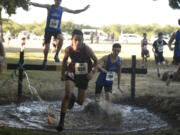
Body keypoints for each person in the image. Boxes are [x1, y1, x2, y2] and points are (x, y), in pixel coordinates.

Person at [28, 0, 90, 69]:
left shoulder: (62, 9)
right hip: (48, 30)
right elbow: (39, 4)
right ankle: (45, 60)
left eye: (60, 0)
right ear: (54, 1)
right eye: (57, 0)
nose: (58, 2)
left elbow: (74, 11)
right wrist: (31, 3)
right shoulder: (49, 7)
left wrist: (84, 9)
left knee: (61, 38)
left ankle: (56, 55)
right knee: (47, 48)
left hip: (57, 30)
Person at [56, 29, 97, 131]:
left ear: (83, 39)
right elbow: (65, 61)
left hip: (84, 76)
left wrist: (92, 72)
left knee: (80, 102)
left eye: (80, 40)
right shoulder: (68, 49)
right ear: (72, 39)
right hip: (72, 73)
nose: (78, 42)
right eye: (76, 40)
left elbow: (96, 61)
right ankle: (61, 122)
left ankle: (74, 98)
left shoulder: (87, 49)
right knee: (67, 94)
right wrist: (63, 74)